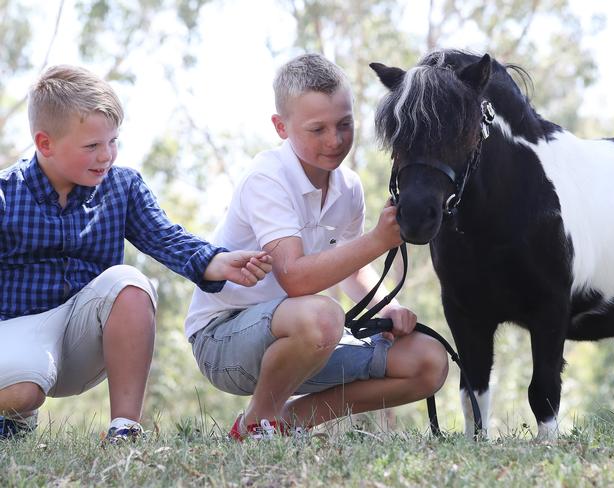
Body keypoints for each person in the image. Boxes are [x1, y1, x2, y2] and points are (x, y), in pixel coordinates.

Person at [0, 65, 272, 442]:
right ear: (45, 144)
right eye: (92, 146)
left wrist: (217, 260)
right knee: (21, 392)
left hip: (83, 334)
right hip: (15, 329)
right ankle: (16, 416)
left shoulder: (122, 187)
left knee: (129, 282)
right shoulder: (6, 194)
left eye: (113, 141)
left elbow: (166, 237)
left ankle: (124, 429)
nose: (106, 155)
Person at [185, 53, 449, 440]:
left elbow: (353, 270)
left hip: (307, 338)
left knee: (428, 360)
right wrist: (377, 240)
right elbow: (293, 278)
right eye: (317, 129)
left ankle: (289, 422)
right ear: (281, 127)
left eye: (345, 124)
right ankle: (259, 421)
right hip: (224, 341)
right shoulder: (267, 178)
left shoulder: (349, 187)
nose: (335, 140)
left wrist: (389, 309)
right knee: (324, 316)